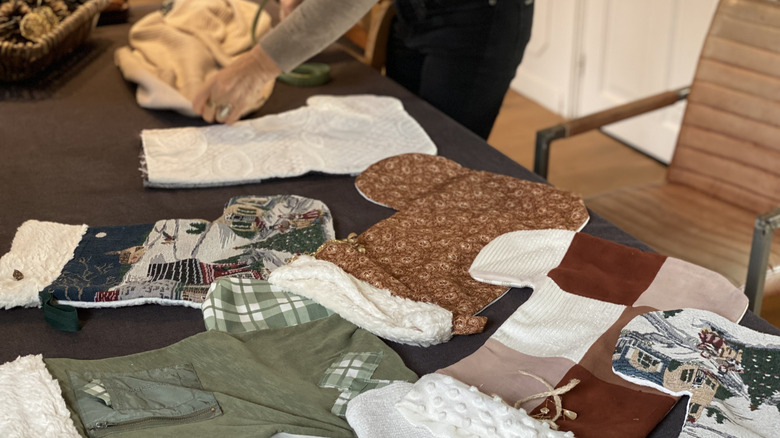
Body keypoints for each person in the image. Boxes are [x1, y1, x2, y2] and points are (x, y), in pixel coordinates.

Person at [193, 0, 534, 140]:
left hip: (480, 18)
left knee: (442, 161)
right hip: (416, 10)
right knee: (403, 139)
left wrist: (257, 66)